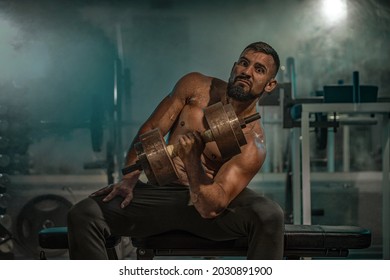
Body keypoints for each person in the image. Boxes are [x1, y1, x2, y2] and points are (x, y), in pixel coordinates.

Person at [67, 41, 285, 260]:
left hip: (207, 208)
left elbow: (212, 206)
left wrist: (192, 160)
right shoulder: (195, 87)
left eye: (259, 70)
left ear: (269, 85)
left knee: (269, 214)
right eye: (244, 63)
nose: (247, 72)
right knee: (84, 214)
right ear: (234, 66)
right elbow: (152, 129)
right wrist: (129, 177)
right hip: (160, 194)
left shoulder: (253, 142)